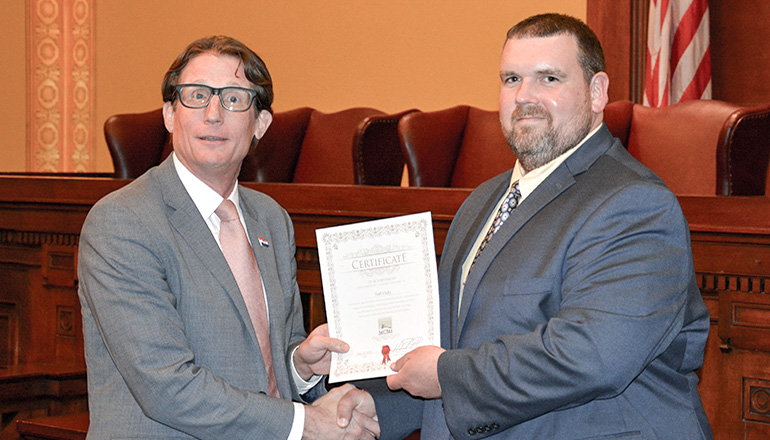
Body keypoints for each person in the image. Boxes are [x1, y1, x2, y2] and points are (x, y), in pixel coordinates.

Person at [351, 13, 714, 439]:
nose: (524, 96)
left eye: (548, 79)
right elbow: (456, 343)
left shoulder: (634, 204)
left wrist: (446, 375)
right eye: (511, 79)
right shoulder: (482, 201)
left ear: (597, 92)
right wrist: (382, 408)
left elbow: (588, 356)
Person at [78, 35, 378, 440]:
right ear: (169, 114)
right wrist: (306, 423)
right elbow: (167, 387)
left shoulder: (271, 220)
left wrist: (300, 366)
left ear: (261, 124)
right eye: (196, 96)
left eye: (234, 98)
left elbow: (267, 358)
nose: (213, 114)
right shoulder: (122, 223)